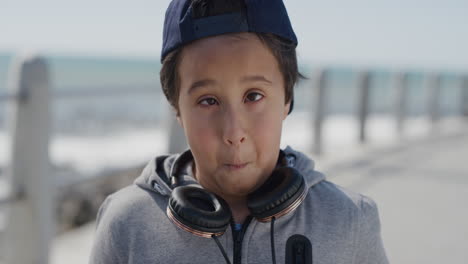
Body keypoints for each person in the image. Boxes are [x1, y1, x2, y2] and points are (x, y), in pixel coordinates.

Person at [89, 0, 389, 263]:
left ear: (287, 99)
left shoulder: (349, 219)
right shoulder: (127, 222)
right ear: (176, 108)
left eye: (254, 96)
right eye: (208, 101)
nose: (233, 132)